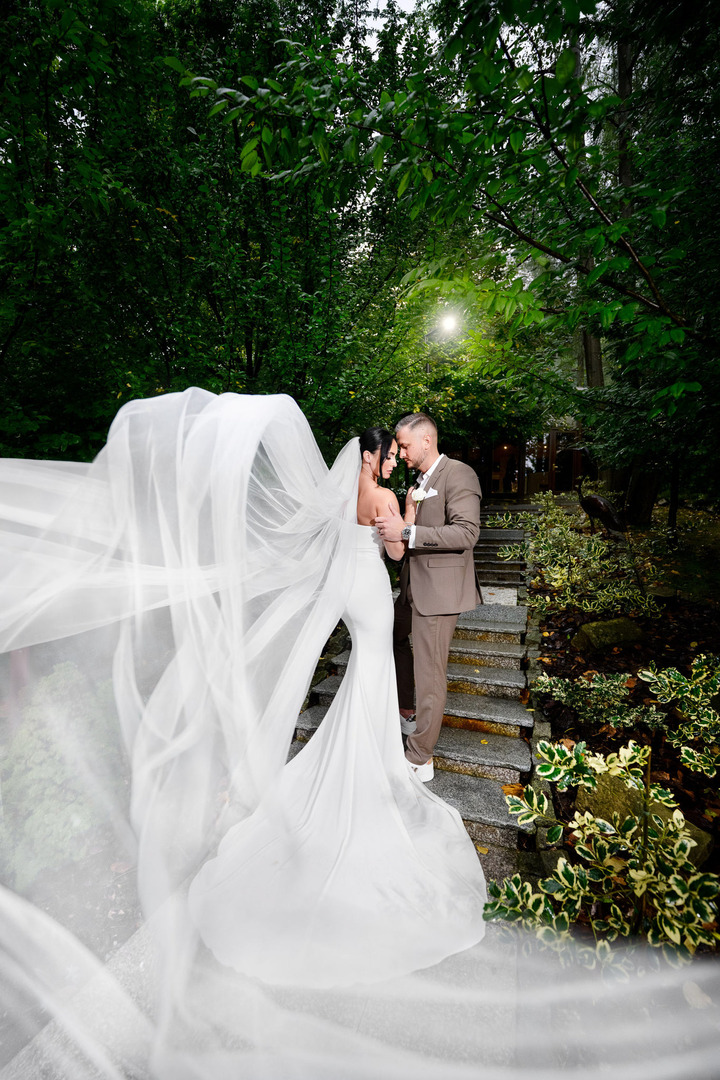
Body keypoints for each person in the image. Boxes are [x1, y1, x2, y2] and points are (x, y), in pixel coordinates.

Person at [187, 421, 487, 986]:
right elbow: (395, 550)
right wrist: (403, 522)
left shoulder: (349, 494)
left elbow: (396, 542)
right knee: (374, 673)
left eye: (404, 448)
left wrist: (404, 523)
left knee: (366, 677)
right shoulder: (380, 496)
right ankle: (388, 762)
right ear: (374, 456)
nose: (398, 457)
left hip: (355, 594)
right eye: (391, 451)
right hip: (372, 596)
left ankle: (384, 755)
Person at [375, 413, 482, 782]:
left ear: (426, 440)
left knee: (430, 674)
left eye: (404, 445)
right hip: (410, 588)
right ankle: (408, 712)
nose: (400, 453)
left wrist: (407, 530)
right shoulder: (420, 481)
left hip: (437, 594)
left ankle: (420, 758)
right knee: (390, 638)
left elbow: (466, 534)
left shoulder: (459, 474)